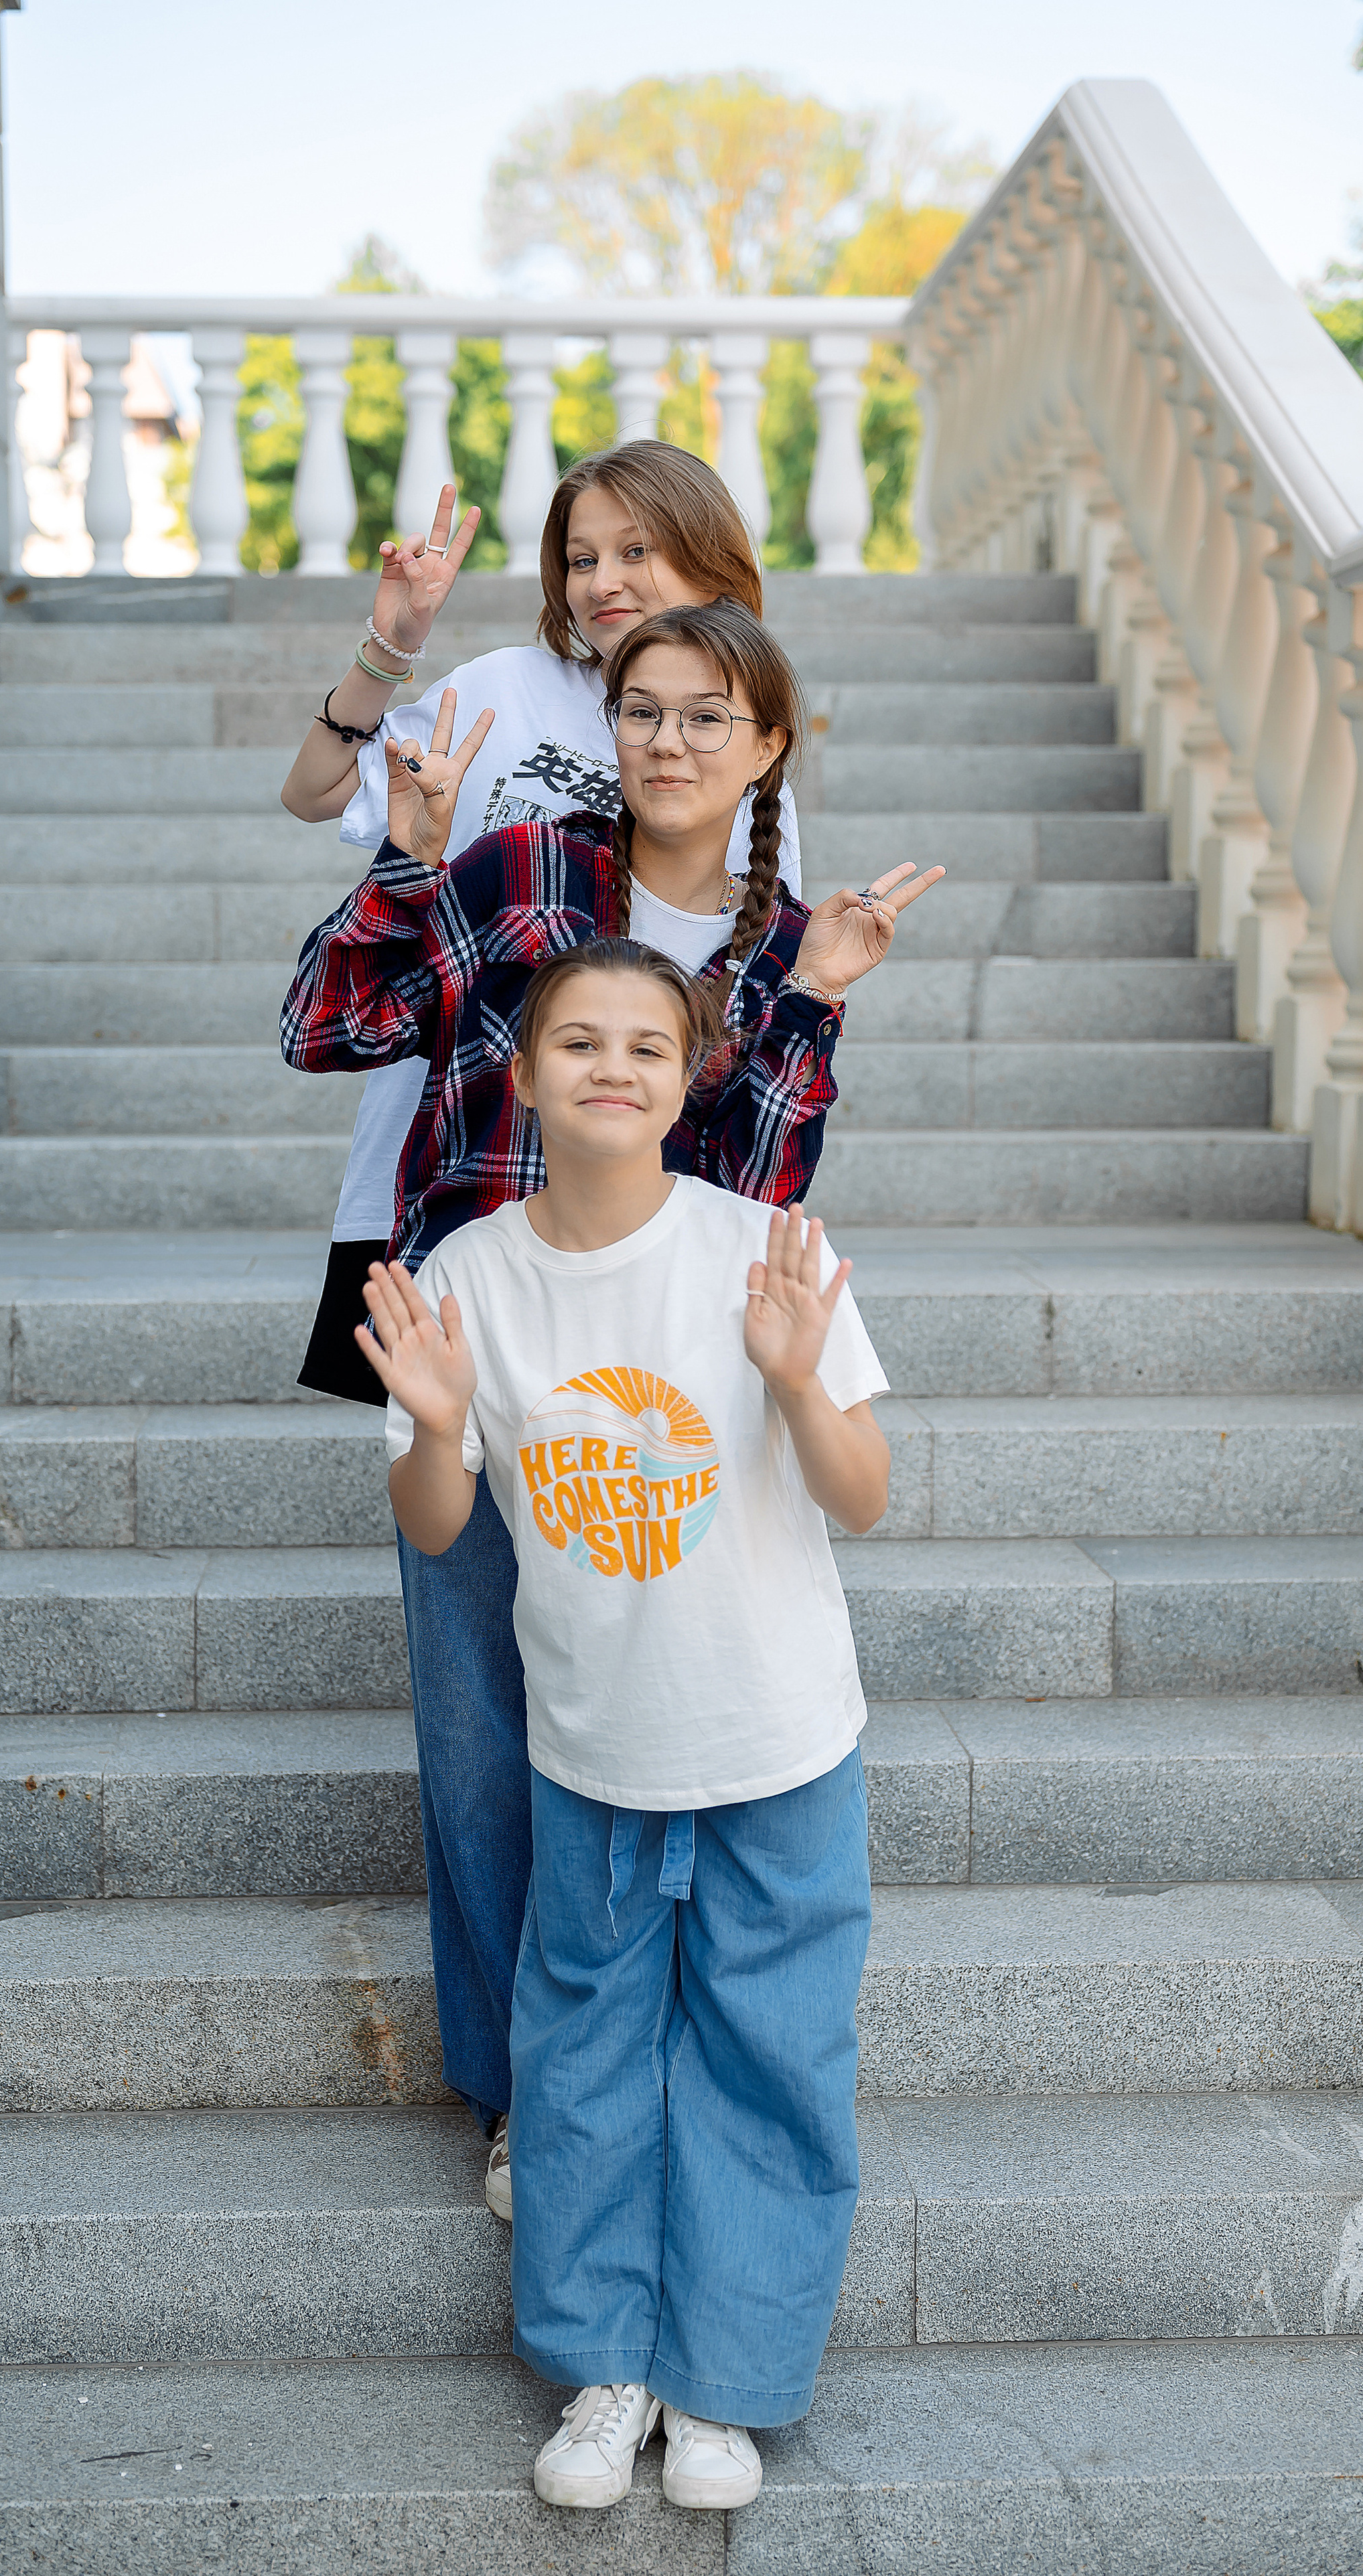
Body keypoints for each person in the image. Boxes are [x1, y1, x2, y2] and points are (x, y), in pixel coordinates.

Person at [281, 597, 941, 2227]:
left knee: (632, 1731)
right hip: (485, 1336)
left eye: (706, 716)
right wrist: (411, 868)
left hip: (665, 1393)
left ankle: (667, 2068)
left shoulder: (786, 940)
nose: (666, 741)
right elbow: (326, 1027)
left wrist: (815, 1003)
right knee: (486, 1739)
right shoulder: (521, 872)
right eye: (642, 710)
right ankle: (525, 2095)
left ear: (764, 746)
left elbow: (739, 1200)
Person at [358, 935, 889, 2513]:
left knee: (772, 2049)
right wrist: (439, 1427)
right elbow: (439, 1522)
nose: (610, 1067)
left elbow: (860, 1492)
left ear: (690, 1076)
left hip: (778, 1735)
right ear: (520, 1074)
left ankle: (726, 2382)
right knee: (579, 2054)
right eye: (575, 1042)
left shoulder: (759, 1248)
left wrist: (797, 1386)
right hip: (590, 1744)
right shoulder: (466, 1274)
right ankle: (608, 2369)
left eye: (645, 1047)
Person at [281, 446, 803, 1407]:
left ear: (711, 559)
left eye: (636, 550)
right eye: (580, 558)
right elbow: (311, 792)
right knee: (450, 1464)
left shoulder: (727, 746)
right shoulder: (504, 690)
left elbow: (741, 1025)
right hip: (454, 1153)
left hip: (624, 1188)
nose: (603, 581)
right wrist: (390, 651)